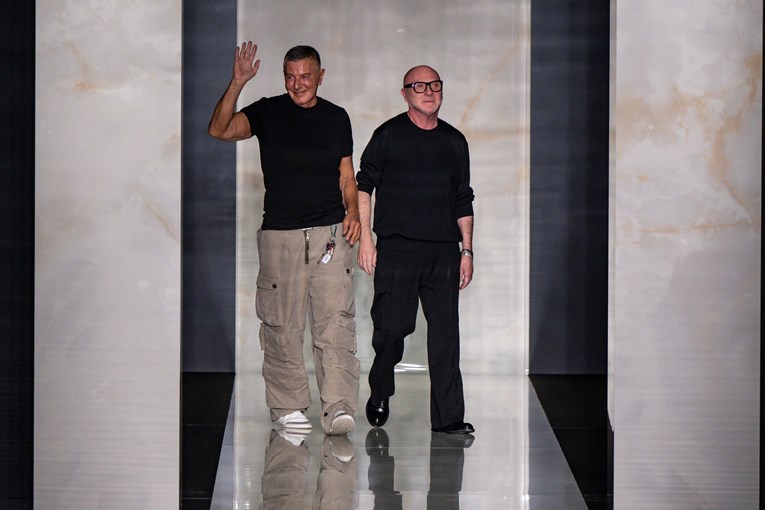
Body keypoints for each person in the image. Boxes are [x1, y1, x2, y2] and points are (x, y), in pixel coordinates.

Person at [208, 41, 361, 435]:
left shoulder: (336, 118)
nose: (297, 84)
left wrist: (354, 212)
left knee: (335, 323)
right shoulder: (267, 112)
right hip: (280, 235)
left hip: (330, 234)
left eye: (305, 76)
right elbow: (219, 129)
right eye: (290, 77)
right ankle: (287, 406)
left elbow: (347, 175)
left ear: (320, 76)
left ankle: (338, 407)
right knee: (282, 325)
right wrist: (238, 82)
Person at [356, 65, 476, 434]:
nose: (429, 92)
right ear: (405, 93)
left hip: (443, 250)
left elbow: (463, 198)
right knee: (392, 329)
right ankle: (381, 389)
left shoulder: (454, 141)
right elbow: (364, 185)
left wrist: (467, 251)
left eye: (435, 85)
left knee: (445, 336)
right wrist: (366, 239)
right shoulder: (388, 136)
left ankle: (448, 418)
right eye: (419, 86)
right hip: (398, 249)